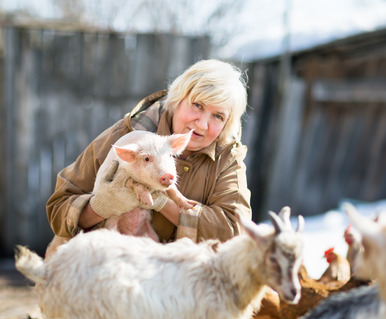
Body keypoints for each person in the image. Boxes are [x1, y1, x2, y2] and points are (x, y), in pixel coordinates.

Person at [45, 59, 252, 256]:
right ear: (177, 99)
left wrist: (163, 202)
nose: (202, 124)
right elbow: (58, 208)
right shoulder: (128, 136)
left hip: (179, 276)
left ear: (227, 124)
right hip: (104, 266)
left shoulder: (227, 157)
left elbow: (235, 231)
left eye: (218, 116)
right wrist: (101, 206)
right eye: (197, 105)